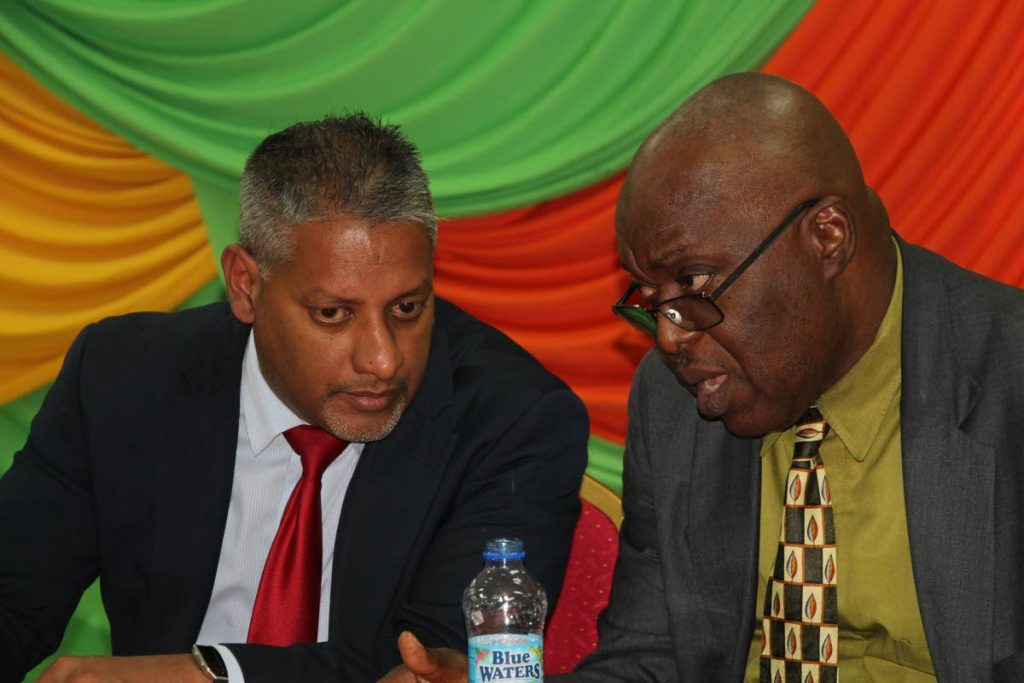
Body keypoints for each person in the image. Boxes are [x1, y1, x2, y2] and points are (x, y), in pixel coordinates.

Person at [380, 73, 1024, 682]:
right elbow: (648, 661)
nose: (668, 337)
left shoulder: (1006, 373)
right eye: (650, 296)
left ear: (828, 238)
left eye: (693, 283)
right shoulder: (673, 404)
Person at [0, 114, 589, 683]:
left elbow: (441, 662)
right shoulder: (123, 377)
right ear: (245, 286)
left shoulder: (513, 418)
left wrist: (209, 675)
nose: (383, 360)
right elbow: (14, 594)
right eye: (333, 314)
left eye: (407, 308)